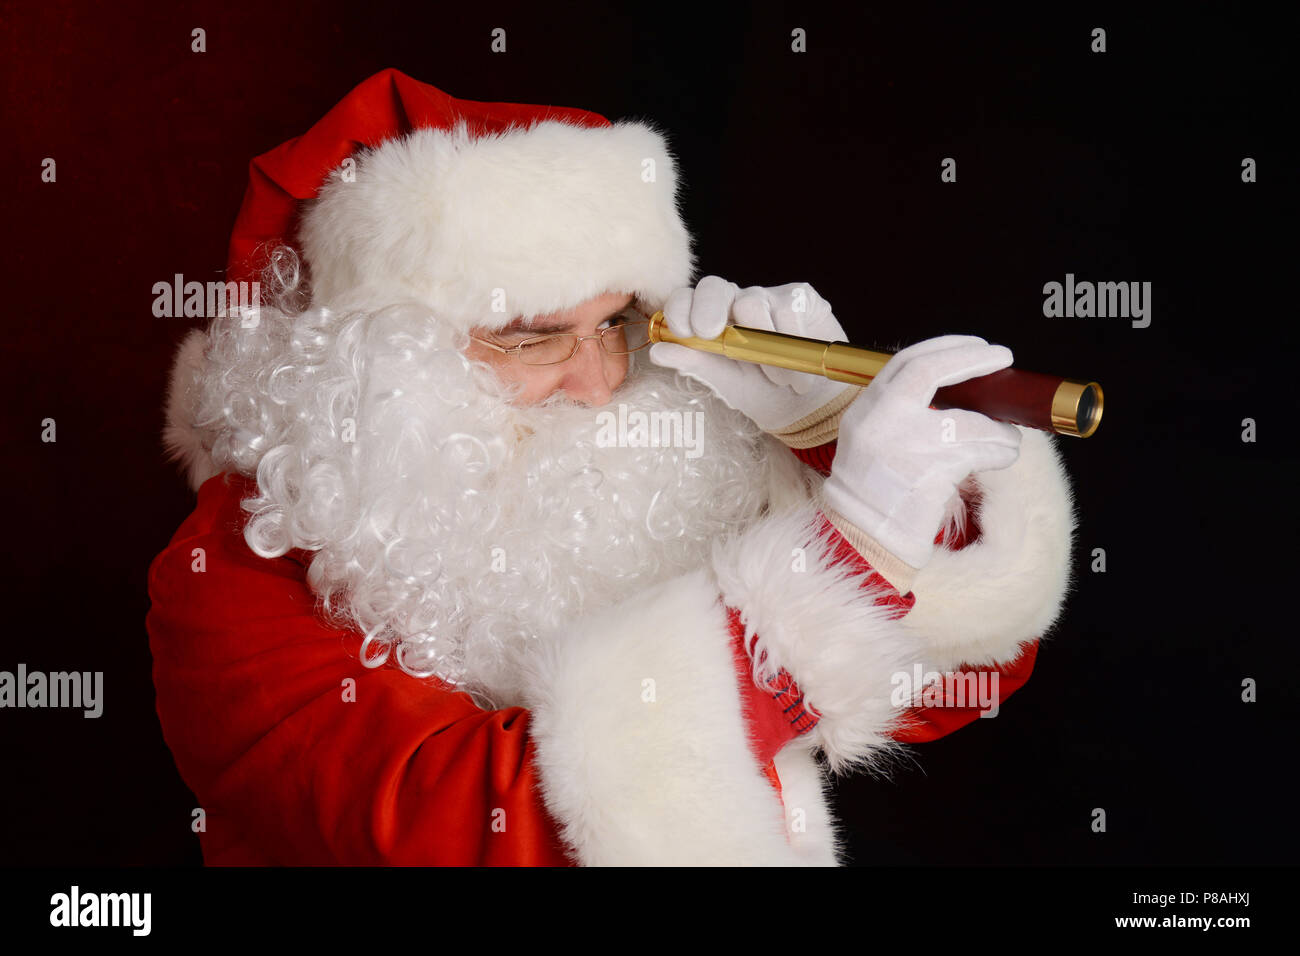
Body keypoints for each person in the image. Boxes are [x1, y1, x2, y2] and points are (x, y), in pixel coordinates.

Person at [147, 68, 1076, 865]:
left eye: (620, 325)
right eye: (531, 338)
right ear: (381, 358)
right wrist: (836, 565)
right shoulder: (222, 589)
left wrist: (825, 443)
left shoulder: (647, 472)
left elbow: (953, 686)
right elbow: (484, 829)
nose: (597, 385)